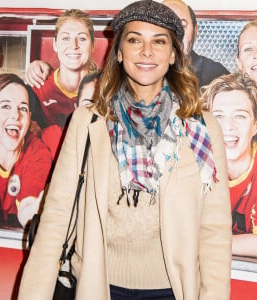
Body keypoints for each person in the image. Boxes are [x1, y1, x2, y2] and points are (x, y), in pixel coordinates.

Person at [18, 1, 232, 299]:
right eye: (135, 40)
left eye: (159, 41)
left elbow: (215, 232)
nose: (147, 51)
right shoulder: (88, 122)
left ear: (173, 54)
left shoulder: (202, 128)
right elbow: (56, 217)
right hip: (99, 285)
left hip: (173, 289)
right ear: (118, 52)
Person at [202, 72, 257, 258]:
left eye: (240, 116)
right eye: (218, 116)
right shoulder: (195, 161)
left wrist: (197, 244)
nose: (228, 127)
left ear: (256, 124)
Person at [31, 9, 98, 160]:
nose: (73, 46)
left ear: (93, 45)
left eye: (82, 38)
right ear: (55, 44)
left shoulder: (106, 90)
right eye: (65, 38)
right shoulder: (37, 89)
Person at [0, 73, 52, 228]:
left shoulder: (38, 152)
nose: (15, 115)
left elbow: (28, 205)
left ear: (29, 118)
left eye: (22, 108)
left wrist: (32, 216)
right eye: (5, 106)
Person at [162, 0, 230, 88]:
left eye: (182, 25)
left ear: (195, 31)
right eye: (166, 26)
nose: (175, 34)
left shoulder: (216, 75)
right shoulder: (143, 71)